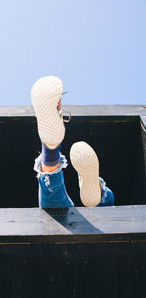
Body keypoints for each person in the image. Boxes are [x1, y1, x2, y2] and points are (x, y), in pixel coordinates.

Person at [31, 76, 114, 208]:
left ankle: (50, 153)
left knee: (54, 209)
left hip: (56, 225)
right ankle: (98, 192)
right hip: (110, 224)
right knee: (106, 207)